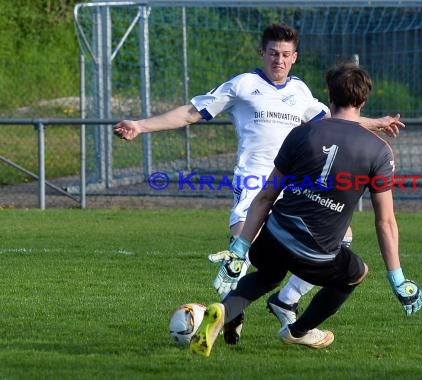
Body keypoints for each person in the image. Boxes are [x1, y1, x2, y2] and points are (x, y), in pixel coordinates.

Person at [113, 23, 405, 345]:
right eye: (273, 53)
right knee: (241, 254)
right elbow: (190, 113)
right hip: (255, 185)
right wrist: (140, 125)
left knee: (341, 238)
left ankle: (284, 301)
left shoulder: (300, 93)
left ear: (294, 58)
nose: (278, 60)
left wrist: (376, 122)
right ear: (262, 53)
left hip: (292, 189)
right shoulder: (243, 85)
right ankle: (227, 314)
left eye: (285, 54)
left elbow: (339, 118)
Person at [190, 62, 422, 357]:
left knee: (269, 273)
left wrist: (239, 249)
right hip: (317, 255)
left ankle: (224, 311)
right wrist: (398, 280)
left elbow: (265, 196)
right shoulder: (379, 151)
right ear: (363, 102)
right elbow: (385, 222)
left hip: (272, 237)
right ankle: (298, 331)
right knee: (356, 273)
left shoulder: (302, 133)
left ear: (329, 95)